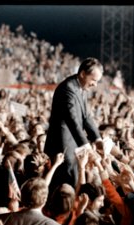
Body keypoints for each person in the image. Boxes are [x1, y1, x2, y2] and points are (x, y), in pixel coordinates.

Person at [44, 57, 104, 193]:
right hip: (63, 145)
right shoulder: (68, 89)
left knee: (74, 180)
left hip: (73, 143)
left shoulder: (81, 87)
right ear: (83, 74)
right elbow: (73, 121)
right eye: (94, 80)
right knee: (67, 184)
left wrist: (97, 139)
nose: (95, 84)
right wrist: (87, 146)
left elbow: (86, 116)